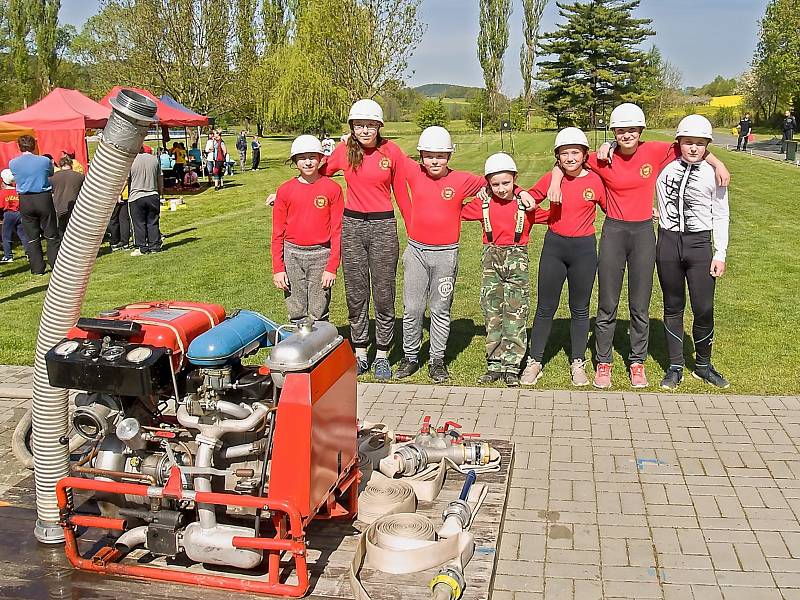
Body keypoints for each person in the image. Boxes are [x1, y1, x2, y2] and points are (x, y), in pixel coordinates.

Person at [547, 103, 730, 389]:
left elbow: (693, 147)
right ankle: (604, 361)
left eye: (632, 129)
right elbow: (567, 161)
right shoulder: (602, 158)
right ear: (614, 132)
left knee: (639, 304)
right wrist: (556, 181)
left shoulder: (655, 151)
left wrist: (717, 163)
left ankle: (637, 361)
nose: (627, 135)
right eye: (620, 131)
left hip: (644, 233)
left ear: (641, 131)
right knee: (607, 303)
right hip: (614, 232)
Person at [393, 126, 538, 383]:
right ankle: (411, 356)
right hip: (416, 251)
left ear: (449, 156)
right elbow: (387, 152)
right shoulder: (413, 171)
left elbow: (500, 180)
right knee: (413, 308)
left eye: (440, 155)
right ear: (421, 156)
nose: (434, 160)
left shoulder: (462, 180)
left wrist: (522, 191)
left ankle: (437, 360)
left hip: (446, 254)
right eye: (429, 155)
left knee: (440, 309)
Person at [317, 99, 411, 379]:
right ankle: (360, 351)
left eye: (370, 125)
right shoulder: (346, 151)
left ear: (379, 126)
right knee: (356, 292)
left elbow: (402, 192)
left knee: (383, 292)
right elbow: (320, 172)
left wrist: (413, 227)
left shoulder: (391, 151)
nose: (365, 130)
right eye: (359, 125)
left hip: (383, 226)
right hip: (353, 225)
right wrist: (337, 146)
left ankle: (382, 353)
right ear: (352, 127)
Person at [521, 128, 607, 387]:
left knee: (580, 309)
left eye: (575, 152)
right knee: (545, 307)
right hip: (554, 247)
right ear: (557, 157)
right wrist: (524, 195)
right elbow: (527, 197)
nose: (570, 158)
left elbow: (613, 207)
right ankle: (534, 361)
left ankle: (577, 361)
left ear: (584, 155)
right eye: (564, 153)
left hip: (584, 250)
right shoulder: (551, 177)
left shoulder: (595, 181)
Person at [461, 153, 549, 387]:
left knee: (515, 312)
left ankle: (512, 365)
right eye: (495, 184)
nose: (501, 189)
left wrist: (524, 193)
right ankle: (494, 363)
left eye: (506, 183)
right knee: (492, 313)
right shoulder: (482, 204)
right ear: (488, 183)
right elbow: (455, 209)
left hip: (517, 260)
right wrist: (478, 193)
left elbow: (551, 216)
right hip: (491, 261)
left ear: (515, 180)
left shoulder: (524, 204)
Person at [656, 115, 730, 390]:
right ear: (679, 143)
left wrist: (720, 252)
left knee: (704, 307)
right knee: (673, 306)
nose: (694, 149)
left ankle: (703, 364)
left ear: (707, 145)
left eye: (700, 144)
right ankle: (675, 366)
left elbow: (722, 215)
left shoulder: (715, 173)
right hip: (667, 242)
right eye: (688, 142)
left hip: (699, 245)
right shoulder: (665, 167)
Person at [271, 135, 344, 322]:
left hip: (321, 254)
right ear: (295, 161)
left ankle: (321, 346)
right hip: (292, 254)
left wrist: (331, 267)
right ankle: (300, 345)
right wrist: (279, 269)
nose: (308, 162)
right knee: (296, 308)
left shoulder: (332, 189)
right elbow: (278, 233)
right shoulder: (285, 190)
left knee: (319, 309)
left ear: (321, 158)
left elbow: (338, 231)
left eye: (313, 156)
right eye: (302, 158)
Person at [9, 134, 60, 275]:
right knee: (51, 233)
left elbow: (15, 177)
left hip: (25, 199)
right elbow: (50, 173)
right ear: (34, 146)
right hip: (43, 197)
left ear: (20, 147)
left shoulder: (13, 163)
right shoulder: (44, 160)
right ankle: (55, 264)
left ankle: (37, 268)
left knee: (32, 236)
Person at [128, 145, 163, 256]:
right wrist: (161, 192)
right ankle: (155, 246)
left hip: (136, 196)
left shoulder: (131, 161)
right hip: (152, 193)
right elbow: (160, 177)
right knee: (153, 221)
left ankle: (142, 247)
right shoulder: (154, 159)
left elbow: (127, 179)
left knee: (139, 223)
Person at [50, 155, 85, 237]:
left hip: (59, 206)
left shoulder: (53, 177)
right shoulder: (80, 176)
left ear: (60, 165)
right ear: (71, 164)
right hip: (75, 206)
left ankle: (63, 245)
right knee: (75, 228)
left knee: (61, 229)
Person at [0, 168, 29, 264]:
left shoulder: (2, 193)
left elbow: (1, 205)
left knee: (6, 235)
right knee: (23, 234)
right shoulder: (18, 191)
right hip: (19, 213)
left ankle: (8, 256)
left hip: (8, 214)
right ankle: (29, 253)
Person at [108, 184, 132, 251]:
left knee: (113, 219)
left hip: (115, 194)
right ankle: (125, 243)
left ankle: (115, 243)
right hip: (125, 195)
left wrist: (119, 193)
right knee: (124, 220)